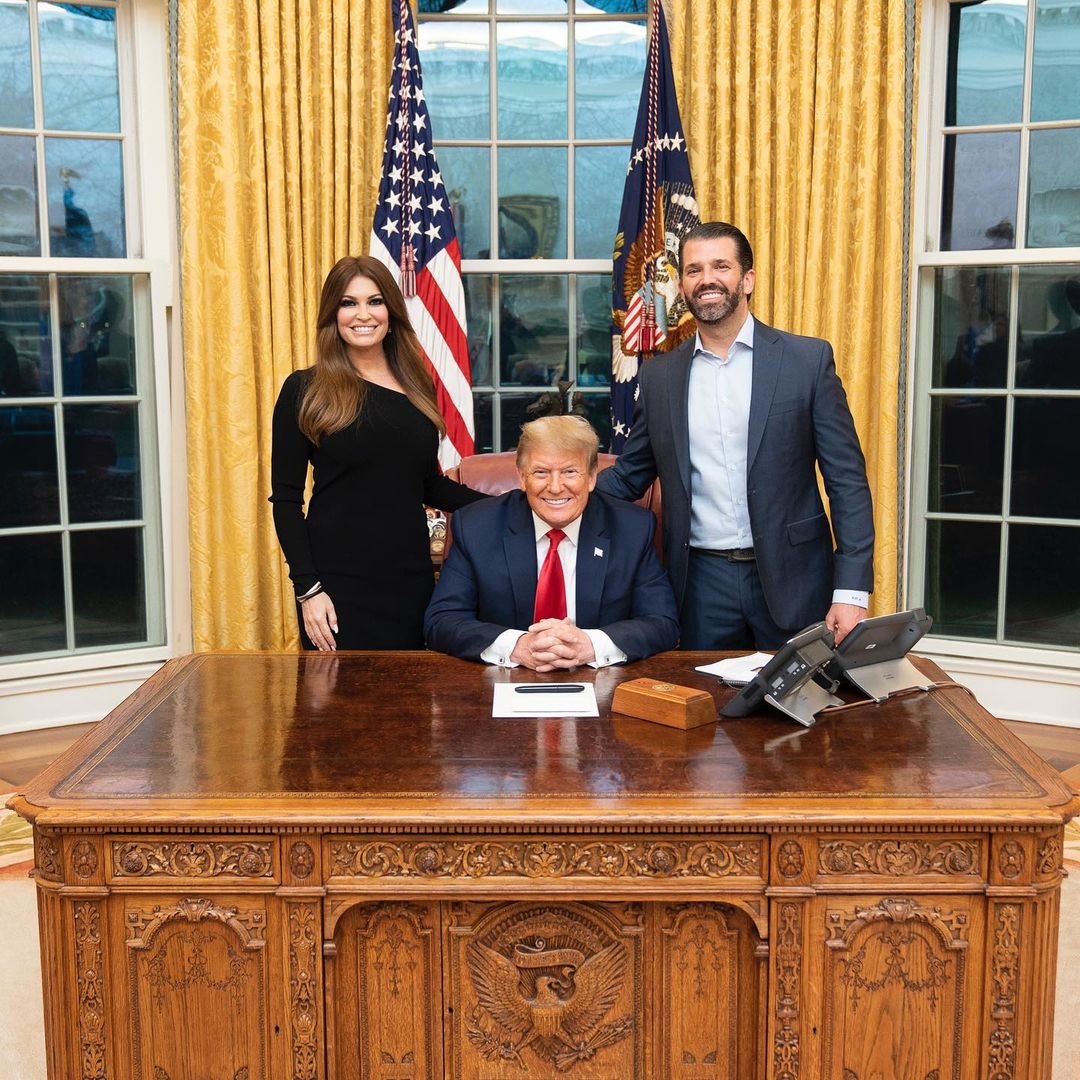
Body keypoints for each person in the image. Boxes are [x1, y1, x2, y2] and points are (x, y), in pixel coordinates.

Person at [596, 221, 874, 649]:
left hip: (795, 578)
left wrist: (852, 591)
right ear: (683, 287)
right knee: (705, 709)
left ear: (747, 279)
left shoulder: (807, 361)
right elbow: (632, 474)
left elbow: (847, 481)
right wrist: (563, 484)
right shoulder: (659, 377)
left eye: (720, 266)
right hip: (699, 585)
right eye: (693, 270)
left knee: (801, 709)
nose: (706, 279)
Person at [270, 255, 486, 651]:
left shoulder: (415, 382)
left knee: (409, 707)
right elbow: (285, 501)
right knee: (336, 709)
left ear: (391, 309)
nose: (362, 314)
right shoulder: (305, 388)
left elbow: (425, 485)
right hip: (335, 587)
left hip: (410, 579)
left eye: (374, 301)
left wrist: (507, 504)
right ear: (332, 314)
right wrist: (309, 590)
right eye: (348, 303)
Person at [424, 414, 679, 669]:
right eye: (541, 472)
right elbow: (442, 621)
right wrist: (516, 647)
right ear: (522, 478)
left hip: (603, 684)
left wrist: (591, 645)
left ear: (591, 478)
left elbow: (662, 623)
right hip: (501, 683)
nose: (556, 487)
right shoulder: (477, 526)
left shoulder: (632, 528)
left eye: (569, 471)